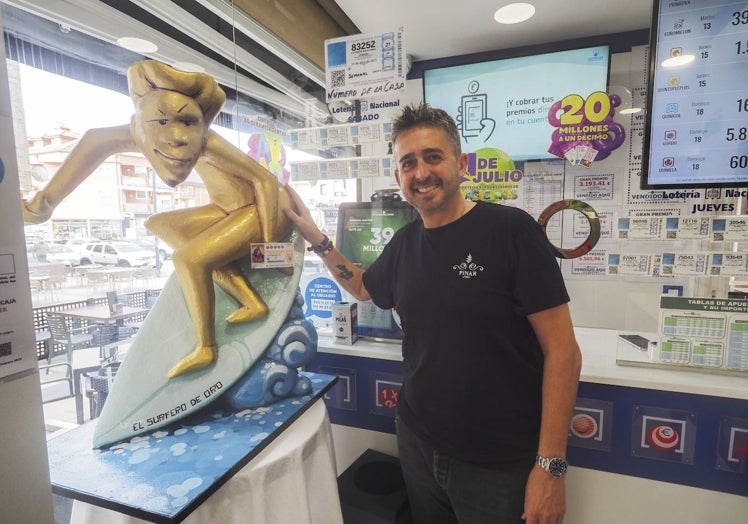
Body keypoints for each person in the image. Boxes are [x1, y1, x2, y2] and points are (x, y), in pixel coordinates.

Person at [285, 103, 582, 523]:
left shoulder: (511, 231)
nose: (421, 172)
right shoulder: (405, 244)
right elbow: (363, 286)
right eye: (408, 163)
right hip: (418, 443)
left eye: (433, 157)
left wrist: (551, 467)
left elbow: (564, 352)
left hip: (497, 463)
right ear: (398, 177)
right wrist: (314, 235)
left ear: (460, 164)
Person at [23, 60, 294, 378]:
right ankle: (252, 303)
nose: (177, 136)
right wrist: (43, 205)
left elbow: (265, 182)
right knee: (161, 224)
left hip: (264, 208)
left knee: (190, 259)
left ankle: (206, 348)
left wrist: (270, 249)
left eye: (188, 122)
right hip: (227, 211)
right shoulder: (133, 133)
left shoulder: (208, 140)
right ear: (140, 122)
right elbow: (94, 142)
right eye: (162, 121)